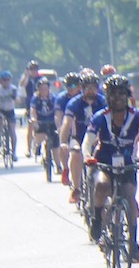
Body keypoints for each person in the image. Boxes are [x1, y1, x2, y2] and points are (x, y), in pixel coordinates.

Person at [83, 73, 139, 261]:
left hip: (128, 165)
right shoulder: (100, 117)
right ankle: (97, 218)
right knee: (101, 185)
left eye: (122, 94)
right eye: (113, 94)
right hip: (104, 162)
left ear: (127, 96)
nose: (118, 98)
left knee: (130, 195)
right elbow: (88, 141)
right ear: (107, 97)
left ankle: (133, 242)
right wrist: (88, 156)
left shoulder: (137, 117)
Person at [63, 70, 105, 201]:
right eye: (87, 88)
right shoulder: (74, 103)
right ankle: (76, 188)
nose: (91, 91)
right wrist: (63, 142)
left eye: (93, 87)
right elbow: (66, 123)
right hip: (79, 138)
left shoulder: (103, 102)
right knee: (75, 153)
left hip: (98, 137)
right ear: (82, 88)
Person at [54, 72, 82, 186]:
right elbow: (58, 114)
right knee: (62, 144)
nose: (70, 88)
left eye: (73, 86)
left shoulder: (83, 97)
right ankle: (65, 168)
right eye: (68, 86)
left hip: (81, 127)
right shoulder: (61, 98)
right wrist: (60, 128)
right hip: (67, 126)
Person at [28, 74, 60, 169]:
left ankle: (58, 166)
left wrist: (58, 121)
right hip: (40, 121)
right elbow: (33, 110)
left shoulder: (53, 98)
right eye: (41, 88)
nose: (43, 90)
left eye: (45, 88)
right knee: (39, 133)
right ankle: (37, 146)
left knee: (55, 144)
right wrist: (34, 119)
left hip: (51, 121)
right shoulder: (35, 98)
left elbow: (57, 111)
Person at [0, 69, 21, 153]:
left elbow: (18, 101)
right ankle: (0, 136)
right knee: (0, 120)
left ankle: (14, 152)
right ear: (1, 81)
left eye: (8, 80)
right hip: (1, 110)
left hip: (10, 110)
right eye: (4, 80)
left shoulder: (13, 89)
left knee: (12, 131)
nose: (6, 82)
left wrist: (15, 97)